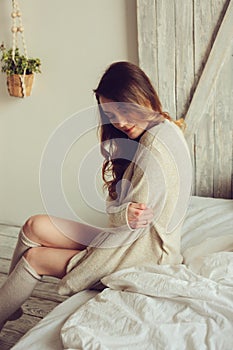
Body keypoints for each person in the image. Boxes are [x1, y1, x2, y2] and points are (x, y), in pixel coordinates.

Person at [0, 61, 192, 331]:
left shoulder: (156, 146)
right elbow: (123, 213)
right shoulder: (162, 129)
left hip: (142, 255)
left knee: (35, 257)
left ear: (142, 97)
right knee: (34, 226)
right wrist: (121, 212)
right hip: (128, 241)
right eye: (111, 114)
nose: (120, 122)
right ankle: (10, 303)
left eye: (124, 110)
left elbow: (125, 220)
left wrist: (117, 219)